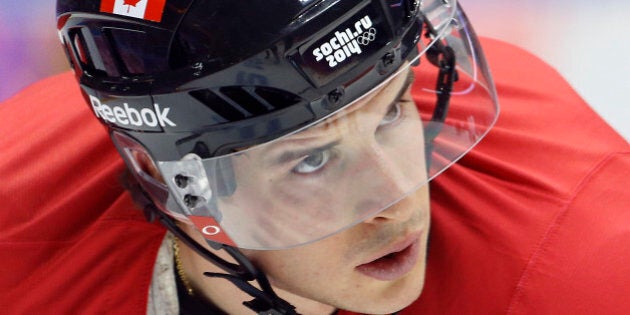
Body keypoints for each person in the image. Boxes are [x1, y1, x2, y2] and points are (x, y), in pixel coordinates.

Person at [1, 0, 628, 314]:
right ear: (182, 189)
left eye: (392, 113)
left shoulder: (579, 263)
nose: (396, 198)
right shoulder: (16, 222)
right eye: (309, 160)